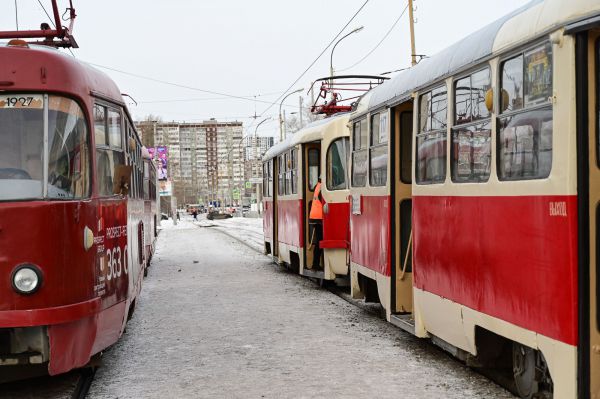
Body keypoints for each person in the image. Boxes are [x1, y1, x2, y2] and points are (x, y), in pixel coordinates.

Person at [309, 177, 324, 269]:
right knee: (320, 242)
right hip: (319, 217)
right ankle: (315, 264)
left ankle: (316, 263)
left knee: (318, 241)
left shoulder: (317, 186)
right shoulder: (323, 187)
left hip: (315, 217)